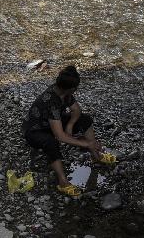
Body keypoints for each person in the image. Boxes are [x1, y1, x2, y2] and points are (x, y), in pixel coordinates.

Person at [23, 65, 103, 197]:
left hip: (50, 124)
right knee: (51, 143)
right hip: (34, 131)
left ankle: (95, 154)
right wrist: (86, 144)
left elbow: (76, 110)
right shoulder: (51, 101)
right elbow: (60, 136)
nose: (77, 89)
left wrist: (70, 125)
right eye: (76, 87)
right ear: (72, 88)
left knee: (85, 119)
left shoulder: (64, 92)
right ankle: (63, 182)